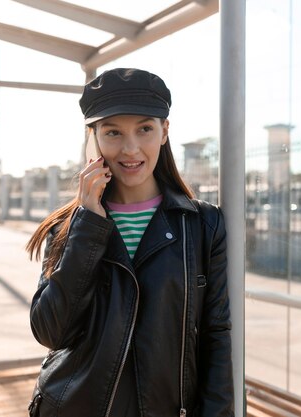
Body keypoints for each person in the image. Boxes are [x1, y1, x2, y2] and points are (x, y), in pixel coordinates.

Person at [26, 68, 234, 417]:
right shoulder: (69, 225)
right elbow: (51, 332)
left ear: (164, 131)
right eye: (113, 132)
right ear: (93, 136)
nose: (130, 148)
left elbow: (217, 334)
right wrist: (88, 224)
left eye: (144, 129)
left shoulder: (202, 224)